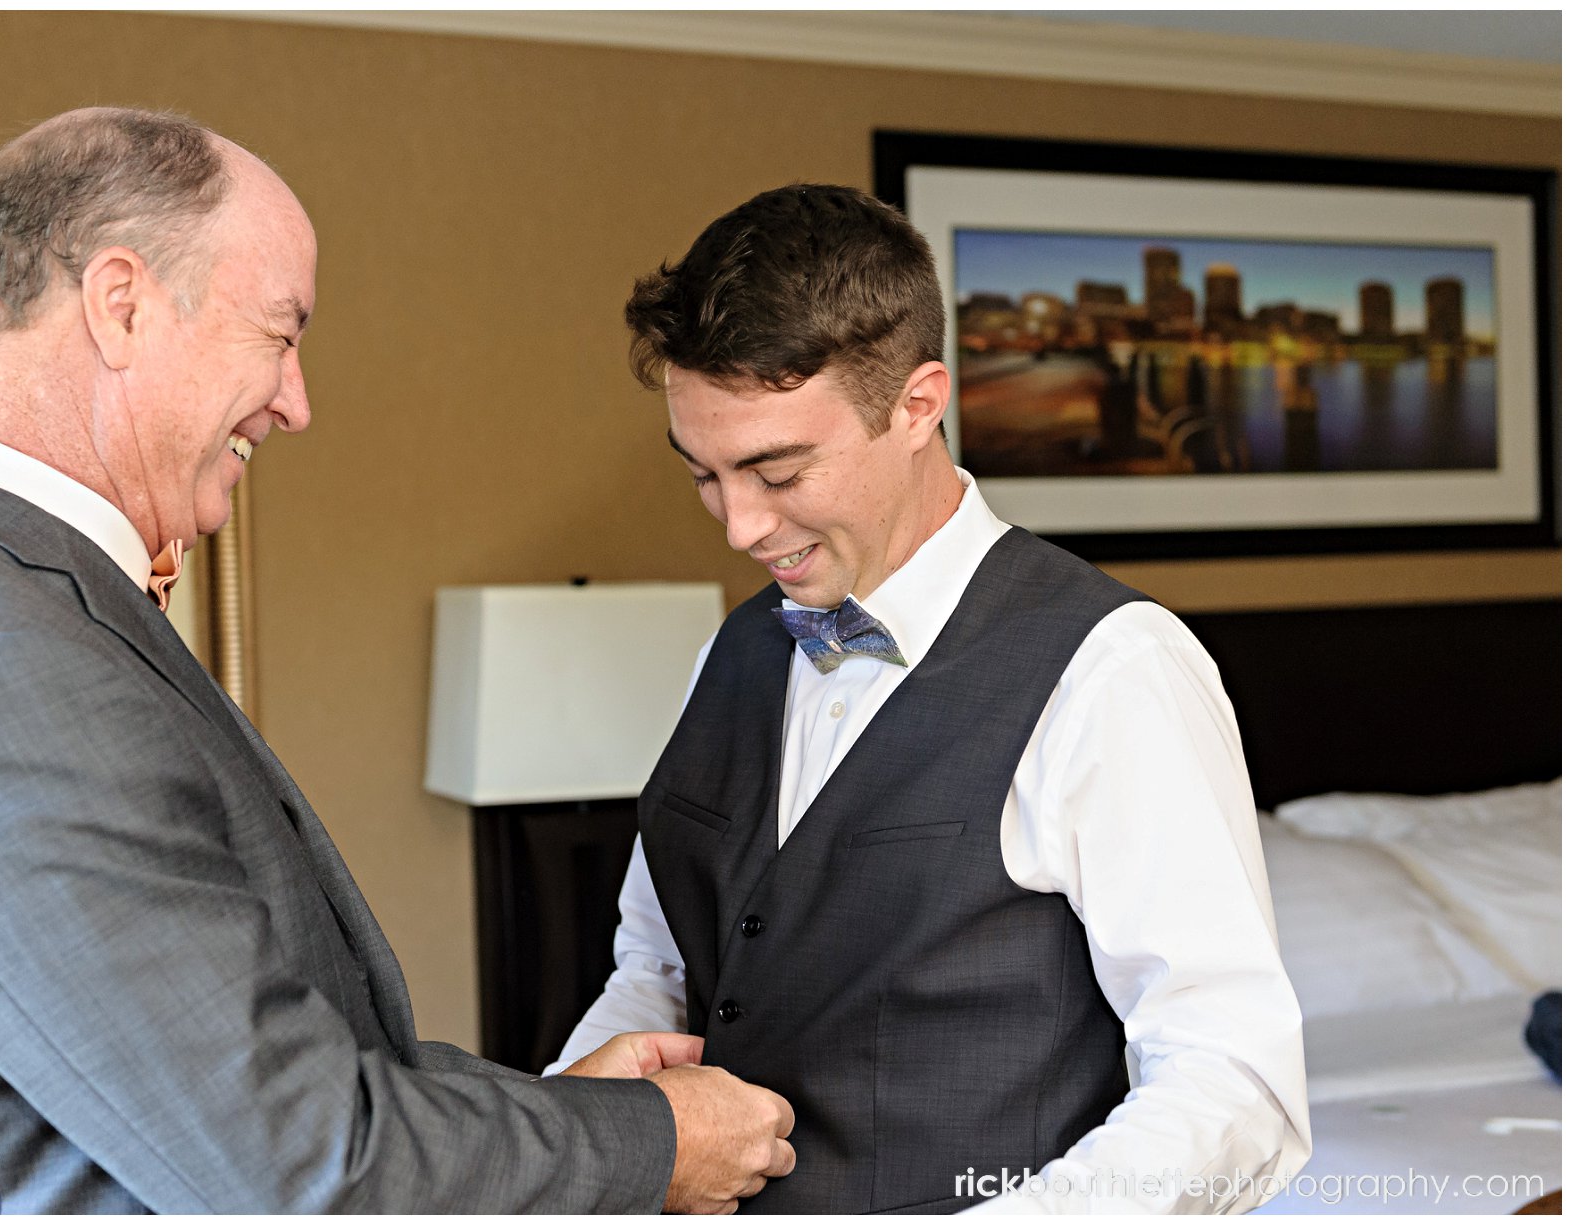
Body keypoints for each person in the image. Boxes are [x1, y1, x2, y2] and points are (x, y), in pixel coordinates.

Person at [0, 107, 795, 1214]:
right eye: (282, 332)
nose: (296, 402)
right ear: (122, 306)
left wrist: (568, 1109)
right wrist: (649, 1146)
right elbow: (302, 1165)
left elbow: (230, 1069)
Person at [550, 184, 1311, 1213]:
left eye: (777, 469)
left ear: (918, 404)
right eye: (704, 475)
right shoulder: (727, 655)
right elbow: (656, 967)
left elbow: (1236, 1086)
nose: (737, 526)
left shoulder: (1113, 672)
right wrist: (582, 1152)